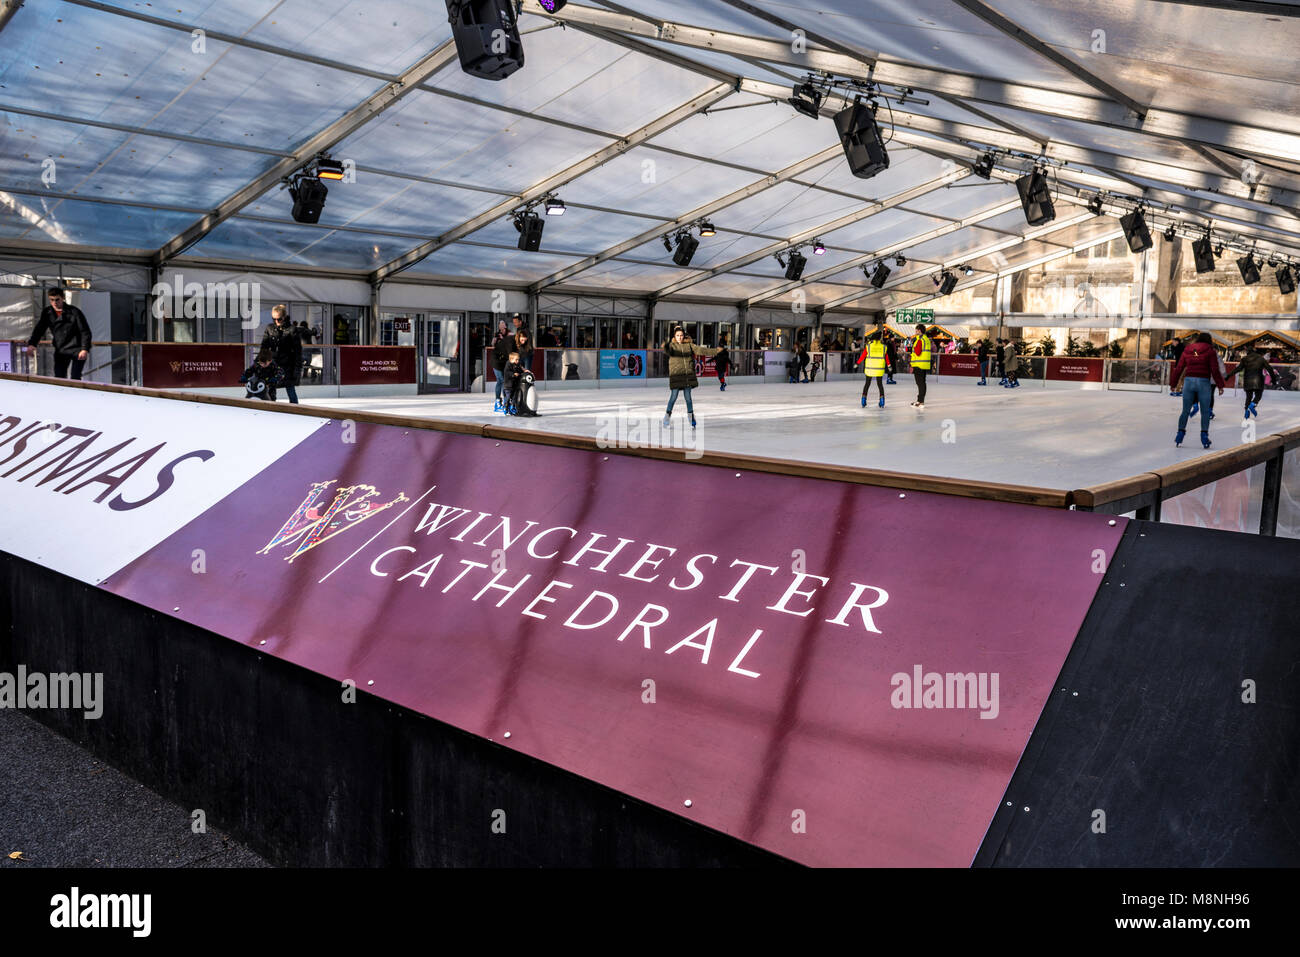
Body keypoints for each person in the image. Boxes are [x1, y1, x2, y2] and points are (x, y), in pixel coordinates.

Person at [1169, 332, 1225, 448]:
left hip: (1188, 382)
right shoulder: (1211, 350)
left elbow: (1179, 368)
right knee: (1205, 412)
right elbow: (1214, 370)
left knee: (1185, 411)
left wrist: (1173, 383)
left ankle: (1180, 434)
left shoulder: (1188, 349)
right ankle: (1204, 436)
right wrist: (1220, 385)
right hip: (1203, 383)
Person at [26, 287, 92, 380]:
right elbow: (39, 329)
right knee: (59, 376)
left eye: (57, 299)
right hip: (61, 349)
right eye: (52, 300)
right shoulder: (47, 312)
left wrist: (85, 349)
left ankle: (76, 393)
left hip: (77, 348)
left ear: (63, 298)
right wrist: (32, 344)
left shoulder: (74, 312)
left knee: (75, 377)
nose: (55, 302)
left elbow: (85, 331)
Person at [663, 327, 720, 430]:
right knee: (673, 397)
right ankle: (666, 418)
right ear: (674, 337)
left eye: (681, 335)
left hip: (687, 377)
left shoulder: (689, 345)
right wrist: (665, 345)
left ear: (684, 336)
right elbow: (667, 349)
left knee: (688, 399)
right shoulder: (672, 346)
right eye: (677, 336)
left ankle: (691, 419)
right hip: (676, 376)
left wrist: (715, 351)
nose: (679, 337)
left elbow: (701, 350)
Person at [260, 304, 303, 404]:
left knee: (290, 389)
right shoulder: (269, 328)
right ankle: (271, 410)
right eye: (273, 319)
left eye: (279, 319)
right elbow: (264, 347)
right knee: (271, 389)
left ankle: (295, 410)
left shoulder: (292, 329)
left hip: (288, 365)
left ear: (284, 317)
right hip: (273, 364)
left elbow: (298, 351)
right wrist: (260, 363)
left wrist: (297, 368)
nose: (276, 321)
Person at [1231, 347, 1278, 419]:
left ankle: (1246, 413)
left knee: (1248, 397)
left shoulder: (1245, 359)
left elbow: (1238, 369)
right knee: (1258, 395)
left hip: (1248, 381)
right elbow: (1270, 369)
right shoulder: (1261, 359)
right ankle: (1252, 405)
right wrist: (1274, 380)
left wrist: (1229, 375)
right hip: (1258, 381)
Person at [855, 330, 887, 408]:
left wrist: (857, 363)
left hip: (870, 368)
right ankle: (882, 401)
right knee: (880, 384)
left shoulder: (868, 346)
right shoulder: (883, 347)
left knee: (867, 384)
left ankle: (863, 400)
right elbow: (886, 357)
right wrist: (889, 365)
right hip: (879, 368)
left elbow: (863, 356)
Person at [909, 324, 933, 410]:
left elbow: (918, 352)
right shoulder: (926, 339)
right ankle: (921, 401)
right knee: (922, 383)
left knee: (920, 384)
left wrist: (914, 348)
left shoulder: (920, 340)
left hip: (918, 365)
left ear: (919, 331)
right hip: (924, 365)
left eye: (916, 330)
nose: (915, 332)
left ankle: (920, 401)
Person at [492, 320, 512, 412]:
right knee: (500, 380)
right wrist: (495, 340)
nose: (502, 328)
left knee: (504, 381)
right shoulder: (496, 334)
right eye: (500, 326)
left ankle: (506, 400)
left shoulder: (509, 334)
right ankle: (498, 401)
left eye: (503, 326)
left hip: (505, 362)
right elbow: (493, 345)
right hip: (496, 361)